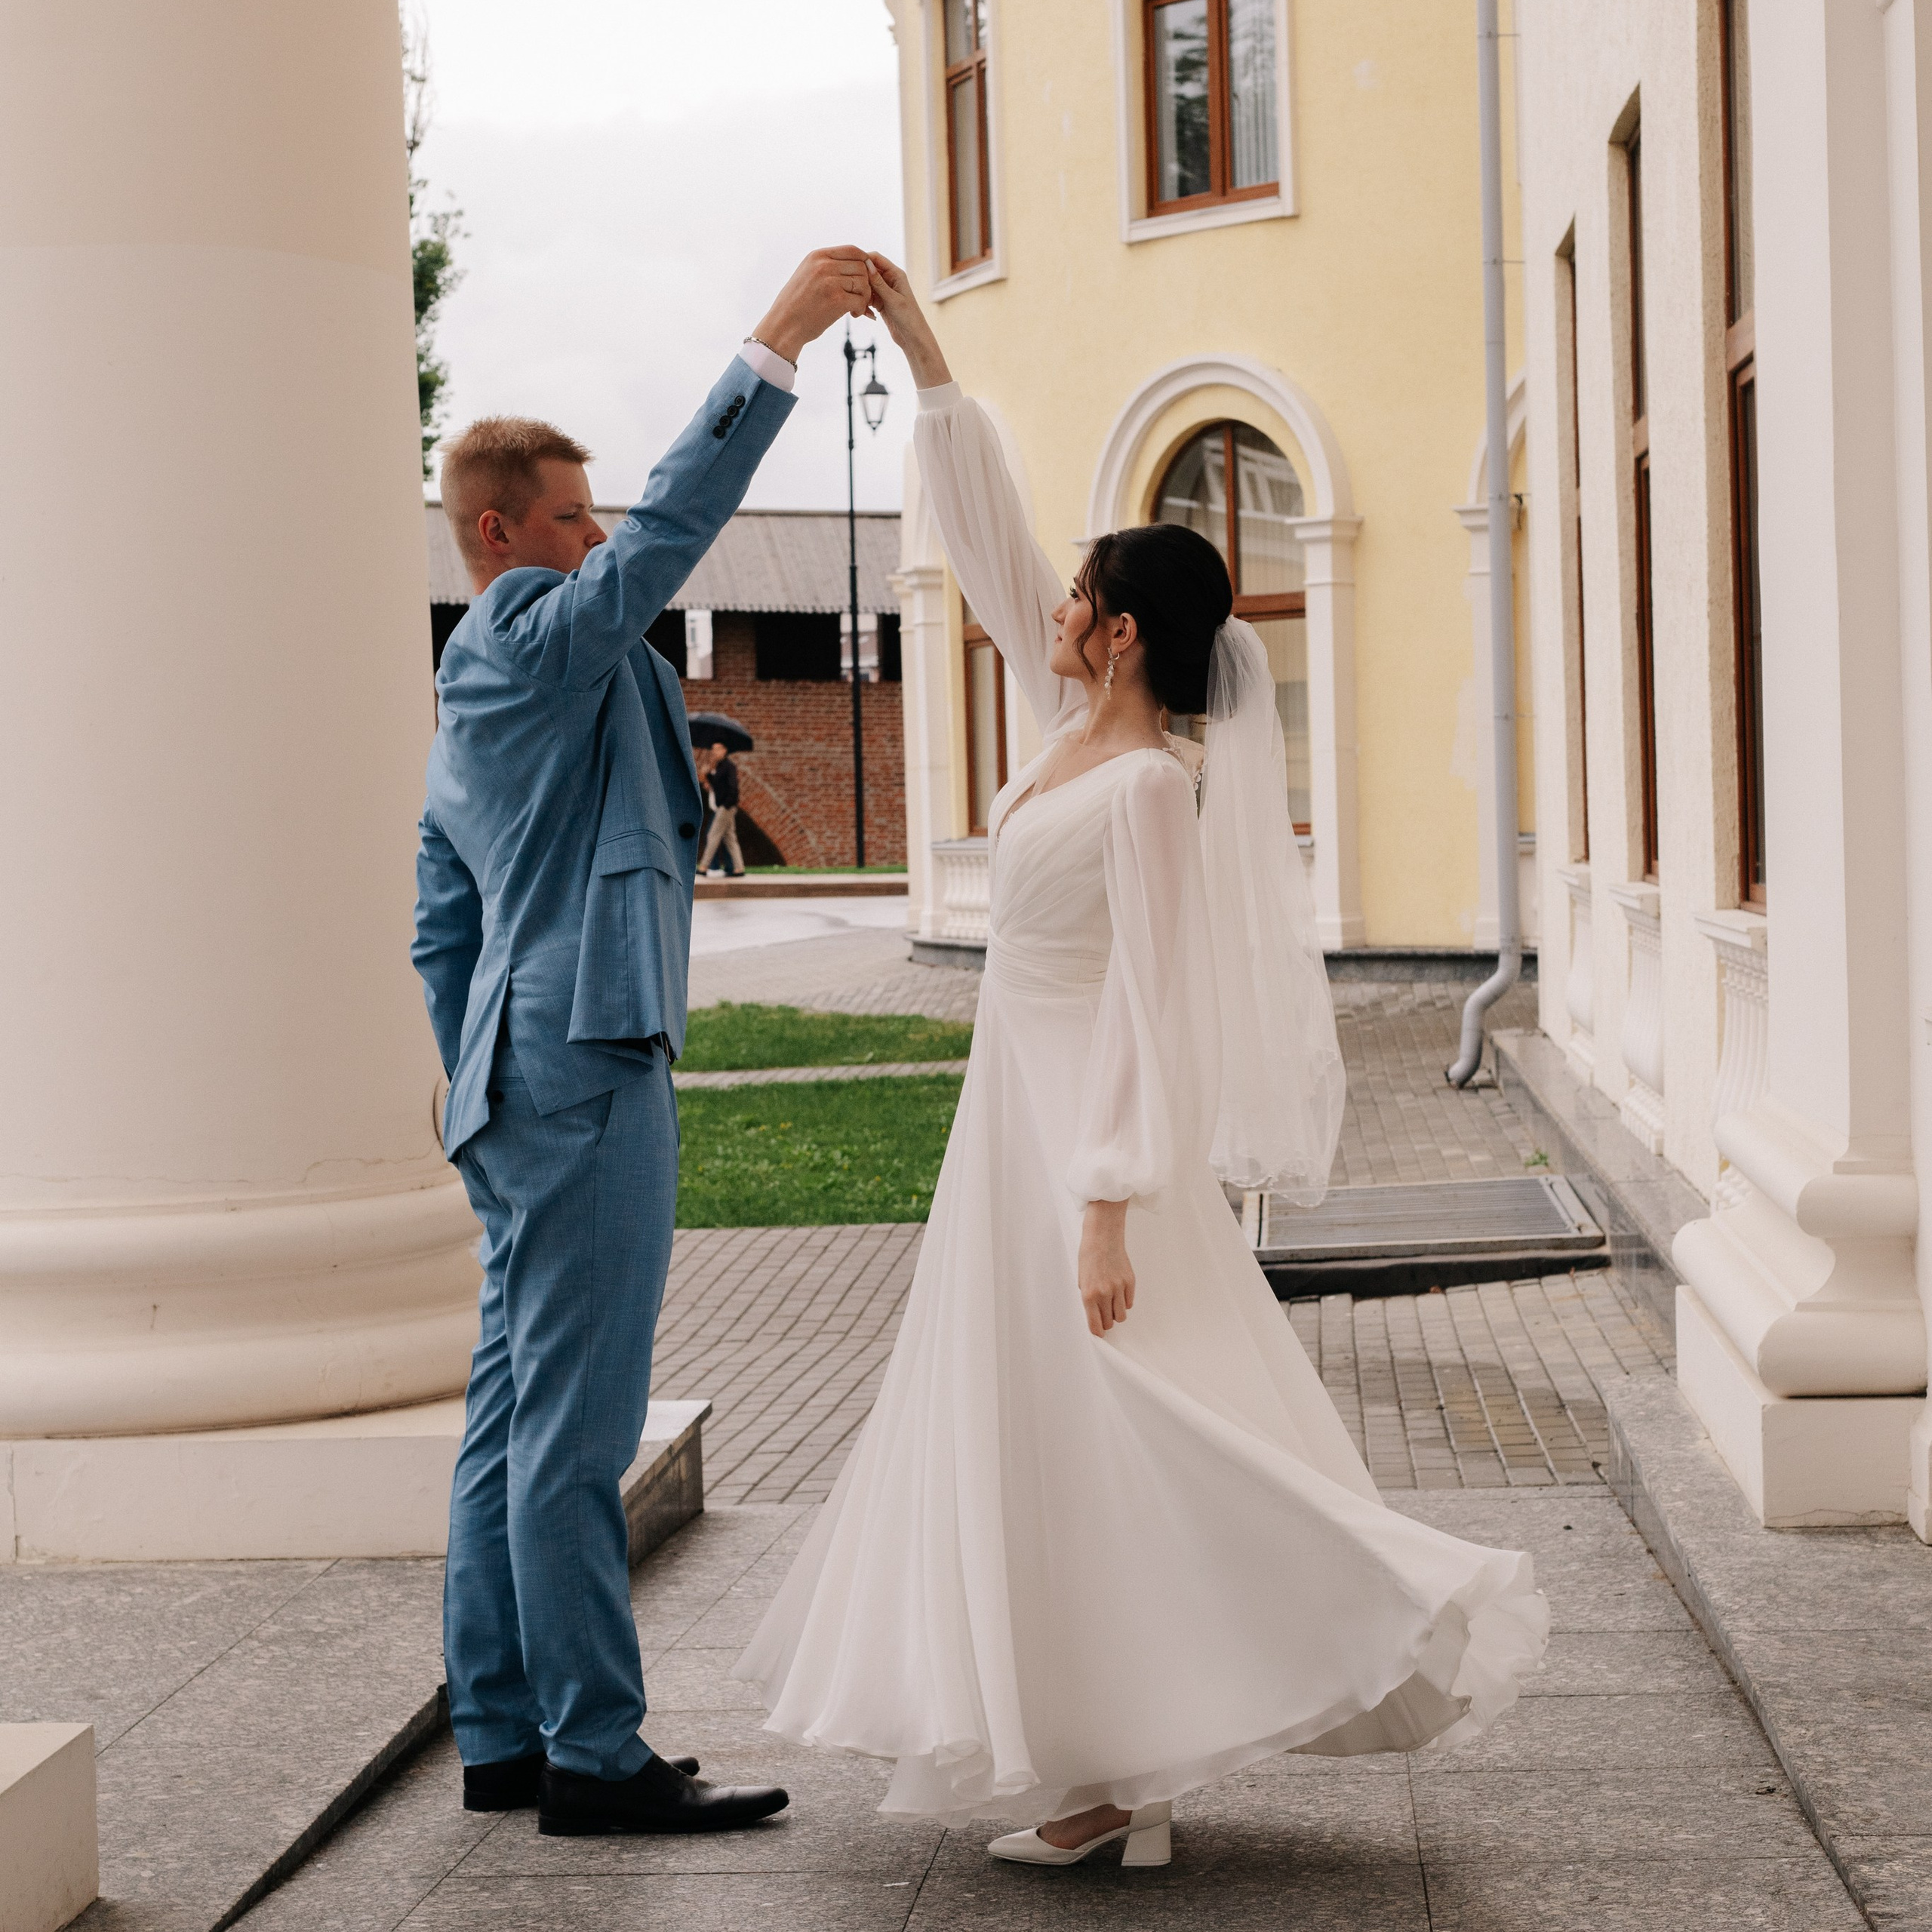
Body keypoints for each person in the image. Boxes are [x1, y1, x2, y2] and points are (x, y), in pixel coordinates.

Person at [734, 257, 1549, 1869]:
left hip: (1081, 1143)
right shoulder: (1065, 735)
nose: (1046, 607)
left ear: (1114, 634)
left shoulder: (1154, 790)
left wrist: (1107, 1202)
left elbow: (1148, 1007)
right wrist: (921, 351)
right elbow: (988, 539)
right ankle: (1107, 1772)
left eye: (1073, 597)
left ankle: (1161, 1741)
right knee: (1053, 1431)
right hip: (1008, 1128)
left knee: (1126, 1424)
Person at [411, 247, 875, 1838]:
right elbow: (674, 528)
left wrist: (483, 1063)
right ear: (499, 535)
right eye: (569, 516)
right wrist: (776, 343)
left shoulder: (475, 694)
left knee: (505, 1422)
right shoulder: (534, 633)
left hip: (510, 1079)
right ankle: (596, 1755)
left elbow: (439, 927)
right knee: (577, 1430)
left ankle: (499, 1733)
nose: (599, 536)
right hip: (586, 1067)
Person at [698, 741, 744, 876]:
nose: (714, 752)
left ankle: (704, 867)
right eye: (713, 749)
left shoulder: (729, 766)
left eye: (717, 749)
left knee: (713, 835)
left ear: (724, 750)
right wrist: (707, 775)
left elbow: (733, 787)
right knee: (730, 838)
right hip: (722, 806)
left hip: (725, 807)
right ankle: (739, 868)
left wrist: (727, 804)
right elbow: (718, 786)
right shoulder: (720, 766)